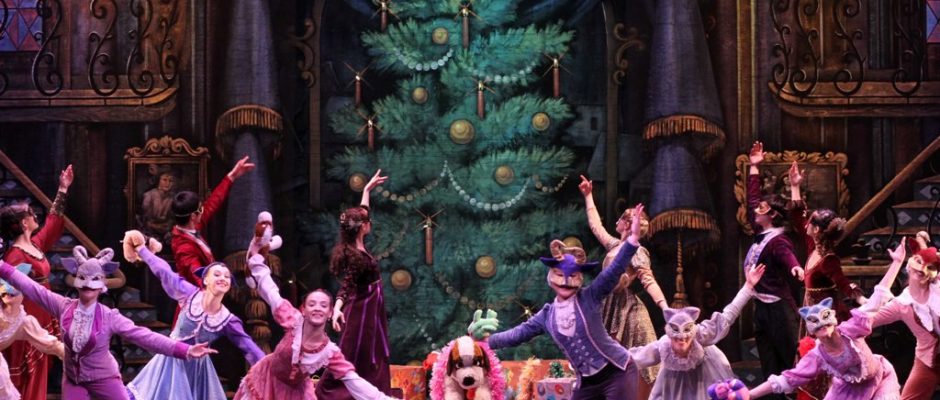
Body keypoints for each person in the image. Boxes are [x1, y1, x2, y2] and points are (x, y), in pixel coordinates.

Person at [468, 204, 648, 400]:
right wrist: (484, 342)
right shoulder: (547, 315)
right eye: (560, 275)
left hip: (617, 372)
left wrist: (633, 239)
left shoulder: (590, 296)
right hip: (587, 382)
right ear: (551, 277)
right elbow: (518, 334)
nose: (565, 281)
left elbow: (612, 272)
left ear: (579, 278)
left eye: (572, 276)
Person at [0, 245, 215, 400]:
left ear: (102, 285)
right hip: (74, 379)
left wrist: (184, 350)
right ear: (76, 281)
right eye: (83, 278)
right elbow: (30, 287)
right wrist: (2, 266)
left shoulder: (109, 316)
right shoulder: (63, 306)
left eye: (94, 280)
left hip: (104, 377)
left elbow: (144, 336)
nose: (88, 285)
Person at [235, 244, 399, 400]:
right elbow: (271, 293)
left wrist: (383, 398)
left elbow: (353, 380)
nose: (317, 309)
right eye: (312, 304)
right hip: (267, 380)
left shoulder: (329, 352)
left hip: (296, 394)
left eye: (323, 305)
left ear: (330, 313)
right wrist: (256, 263)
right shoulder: (293, 320)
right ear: (304, 310)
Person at [749, 239, 905, 399]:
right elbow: (788, 378)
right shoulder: (818, 355)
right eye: (816, 324)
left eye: (825, 319)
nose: (822, 325)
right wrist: (750, 394)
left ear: (834, 320)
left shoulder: (850, 330)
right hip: (847, 389)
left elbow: (877, 298)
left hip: (880, 379)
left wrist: (897, 263)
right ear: (812, 332)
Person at [123, 230, 265, 400]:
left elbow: (249, 347)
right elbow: (165, 272)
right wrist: (142, 249)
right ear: (205, 280)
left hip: (197, 372)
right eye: (217, 274)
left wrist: (271, 370)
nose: (223, 278)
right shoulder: (189, 294)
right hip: (171, 362)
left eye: (227, 277)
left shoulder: (227, 320)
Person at [579, 175, 666, 398]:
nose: (616, 221)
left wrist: (664, 307)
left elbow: (648, 280)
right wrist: (588, 195)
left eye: (620, 219)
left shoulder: (636, 251)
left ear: (627, 224)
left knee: (638, 358)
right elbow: (596, 226)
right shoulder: (615, 245)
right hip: (606, 305)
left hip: (627, 310)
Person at [626, 263, 765, 399]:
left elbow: (727, 316)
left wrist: (747, 287)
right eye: (677, 337)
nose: (682, 339)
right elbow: (634, 357)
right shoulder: (663, 346)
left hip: (704, 378)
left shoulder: (702, 335)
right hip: (673, 385)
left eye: (686, 336)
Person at [316, 169, 394, 399]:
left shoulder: (357, 245)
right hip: (362, 312)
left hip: (371, 309)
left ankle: (372, 392)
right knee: (355, 351)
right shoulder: (354, 256)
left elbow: (363, 210)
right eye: (367, 221)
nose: (370, 222)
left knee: (373, 353)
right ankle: (330, 392)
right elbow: (346, 287)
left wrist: (367, 189)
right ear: (362, 227)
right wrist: (337, 309)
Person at [0, 164, 72, 400]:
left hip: (42, 311)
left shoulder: (34, 245)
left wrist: (63, 189)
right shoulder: (16, 256)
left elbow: (52, 224)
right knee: (29, 374)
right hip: (28, 315)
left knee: (41, 370)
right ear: (23, 223)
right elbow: (6, 293)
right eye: (30, 213)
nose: (35, 216)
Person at [746, 141, 803, 399]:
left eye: (762, 208)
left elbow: (787, 256)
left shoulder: (777, 240)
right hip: (762, 308)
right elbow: (752, 200)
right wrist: (754, 168)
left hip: (779, 309)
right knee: (769, 368)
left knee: (790, 362)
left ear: (772, 215)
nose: (756, 210)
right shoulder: (761, 233)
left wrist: (796, 268)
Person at [872, 232, 940, 399]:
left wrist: (922, 242)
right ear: (909, 267)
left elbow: (930, 257)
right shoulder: (901, 304)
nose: (921, 270)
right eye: (917, 264)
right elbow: (868, 319)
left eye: (928, 268)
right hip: (927, 360)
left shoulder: (937, 288)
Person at [171, 155, 255, 287]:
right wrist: (217, 286)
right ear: (193, 216)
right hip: (200, 297)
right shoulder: (184, 248)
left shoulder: (192, 225)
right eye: (200, 209)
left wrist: (232, 176)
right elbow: (197, 276)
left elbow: (213, 203)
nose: (203, 210)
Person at [0, 264, 65, 400]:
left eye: (13, 289)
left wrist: (74, 356)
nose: (7, 291)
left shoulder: (24, 322)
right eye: (3, 287)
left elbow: (50, 344)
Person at [140, 167, 179, 241]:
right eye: (164, 180)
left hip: (167, 232)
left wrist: (168, 226)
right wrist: (155, 226)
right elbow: (145, 221)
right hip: (149, 233)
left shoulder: (174, 198)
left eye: (170, 181)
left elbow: (172, 220)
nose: (167, 183)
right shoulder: (149, 196)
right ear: (158, 181)